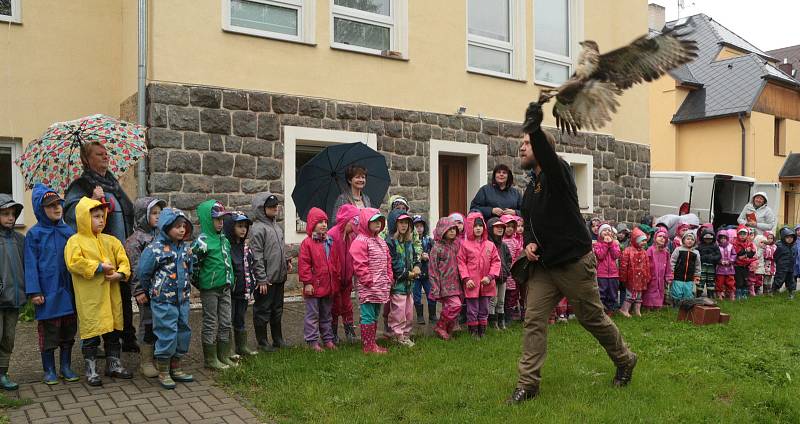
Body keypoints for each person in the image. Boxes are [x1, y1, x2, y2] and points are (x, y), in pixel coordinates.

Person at [509, 102, 636, 404]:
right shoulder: (531, 188)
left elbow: (550, 160)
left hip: (574, 264)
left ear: (542, 149)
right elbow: (529, 223)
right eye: (522, 143)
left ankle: (624, 359)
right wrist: (528, 242)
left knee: (591, 318)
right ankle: (528, 384)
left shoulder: (559, 174)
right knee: (533, 320)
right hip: (544, 267)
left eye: (527, 144)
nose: (521, 148)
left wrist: (534, 127)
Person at [64, 141, 138, 352]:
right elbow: (72, 213)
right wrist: (90, 199)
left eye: (106, 154)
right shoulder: (81, 185)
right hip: (97, 253)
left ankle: (126, 337)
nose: (106, 157)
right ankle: (98, 344)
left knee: (122, 295)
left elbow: (127, 210)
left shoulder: (112, 183)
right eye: (99, 154)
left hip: (118, 249)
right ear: (86, 160)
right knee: (101, 301)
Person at [64, 197, 132, 387]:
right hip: (90, 299)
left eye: (103, 216)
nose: (101, 220)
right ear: (84, 218)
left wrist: (120, 273)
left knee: (112, 333)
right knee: (91, 335)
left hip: (111, 297)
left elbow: (124, 259)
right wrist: (99, 267)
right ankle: (91, 369)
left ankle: (113, 364)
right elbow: (74, 263)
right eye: (95, 216)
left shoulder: (111, 240)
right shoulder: (75, 242)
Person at [25, 185, 79, 386]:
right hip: (47, 293)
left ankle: (65, 366)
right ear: (40, 209)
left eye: (59, 204)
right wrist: (34, 291)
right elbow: (30, 264)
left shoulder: (69, 231)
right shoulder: (35, 234)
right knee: (49, 333)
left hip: (68, 291)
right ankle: (49, 369)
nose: (57, 208)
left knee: (68, 331)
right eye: (50, 206)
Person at [137, 208, 194, 389]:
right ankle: (163, 370)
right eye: (177, 226)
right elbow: (143, 273)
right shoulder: (155, 249)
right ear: (166, 226)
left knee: (183, 331)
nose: (182, 230)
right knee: (166, 332)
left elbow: (190, 268)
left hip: (182, 299)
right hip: (163, 301)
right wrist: (151, 291)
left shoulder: (185, 248)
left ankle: (176, 367)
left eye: (183, 226)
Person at [191, 200, 236, 370]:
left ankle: (223, 354)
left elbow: (228, 262)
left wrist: (230, 278)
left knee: (225, 321)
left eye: (222, 220)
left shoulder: (224, 239)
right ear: (207, 220)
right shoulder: (201, 242)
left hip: (225, 287)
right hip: (210, 289)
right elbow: (194, 265)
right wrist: (202, 282)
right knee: (211, 321)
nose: (220, 223)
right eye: (217, 220)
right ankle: (210, 359)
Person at [124, 197, 166, 378]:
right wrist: (139, 290)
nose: (158, 217)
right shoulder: (135, 241)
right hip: (146, 291)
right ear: (143, 215)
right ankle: (146, 360)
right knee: (147, 322)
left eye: (159, 213)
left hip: (163, 289)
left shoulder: (161, 235)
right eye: (153, 213)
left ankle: (160, 354)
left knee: (162, 321)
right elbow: (134, 268)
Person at [250, 192, 291, 352]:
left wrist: (286, 260)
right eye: (271, 206)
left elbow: (281, 247)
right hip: (266, 279)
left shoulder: (276, 227)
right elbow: (257, 255)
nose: (275, 208)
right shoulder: (258, 229)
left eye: (276, 205)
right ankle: (262, 341)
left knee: (277, 308)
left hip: (278, 276)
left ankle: (277, 338)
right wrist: (261, 278)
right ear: (261, 208)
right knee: (262, 309)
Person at [350, 208, 393, 354]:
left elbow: (388, 260)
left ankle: (372, 343)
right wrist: (367, 280)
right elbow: (359, 263)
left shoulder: (380, 241)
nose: (378, 224)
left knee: (375, 314)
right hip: (368, 286)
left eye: (380, 221)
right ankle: (368, 346)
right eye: (374, 221)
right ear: (365, 222)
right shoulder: (360, 241)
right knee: (367, 314)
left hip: (380, 285)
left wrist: (389, 276)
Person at [298, 208, 338, 352]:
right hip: (314, 286)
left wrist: (335, 279)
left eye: (325, 222)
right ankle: (312, 340)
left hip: (328, 285)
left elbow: (334, 262)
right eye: (320, 222)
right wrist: (307, 282)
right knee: (313, 315)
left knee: (327, 314)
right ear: (312, 224)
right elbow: (304, 264)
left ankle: (327, 339)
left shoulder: (329, 241)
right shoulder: (307, 243)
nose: (324, 225)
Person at [457, 212, 501, 339]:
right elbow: (461, 263)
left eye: (480, 226)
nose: (478, 228)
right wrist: (466, 279)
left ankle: (482, 330)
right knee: (472, 309)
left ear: (484, 228)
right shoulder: (465, 245)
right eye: (475, 226)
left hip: (487, 282)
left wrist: (490, 276)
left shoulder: (490, 245)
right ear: (470, 227)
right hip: (472, 283)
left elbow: (496, 262)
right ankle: (473, 331)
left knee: (484, 308)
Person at [223, 212, 258, 357]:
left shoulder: (246, 247)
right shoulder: (227, 247)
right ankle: (228, 349)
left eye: (245, 227)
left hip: (244, 291)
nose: (243, 229)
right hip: (231, 292)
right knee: (228, 319)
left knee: (240, 318)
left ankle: (241, 346)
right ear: (231, 227)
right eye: (239, 226)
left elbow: (250, 266)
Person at [385, 210, 420, 346]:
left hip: (409, 286)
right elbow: (394, 264)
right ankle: (397, 335)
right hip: (398, 284)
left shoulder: (408, 242)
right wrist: (407, 274)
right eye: (401, 222)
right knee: (398, 312)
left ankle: (406, 335)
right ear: (394, 224)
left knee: (409, 312)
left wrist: (417, 266)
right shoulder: (391, 243)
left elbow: (415, 257)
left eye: (406, 223)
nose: (404, 225)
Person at [0, 194, 24, 390]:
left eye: (13, 214)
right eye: (5, 214)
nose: (10, 218)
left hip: (14, 298)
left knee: (9, 338)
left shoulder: (19, 239)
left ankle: (3, 372)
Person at [329, 204, 360, 344]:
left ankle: (349, 331)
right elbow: (329, 258)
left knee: (347, 306)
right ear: (346, 220)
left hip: (347, 279)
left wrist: (352, 274)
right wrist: (336, 276)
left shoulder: (351, 236)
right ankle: (332, 333)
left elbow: (353, 256)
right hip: (335, 279)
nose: (355, 225)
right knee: (335, 307)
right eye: (354, 221)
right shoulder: (332, 235)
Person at [429, 218, 462, 340]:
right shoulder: (437, 248)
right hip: (444, 284)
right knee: (455, 306)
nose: (453, 232)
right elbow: (433, 270)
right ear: (442, 230)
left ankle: (448, 331)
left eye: (454, 229)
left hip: (456, 283)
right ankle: (440, 326)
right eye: (450, 229)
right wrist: (435, 287)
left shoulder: (456, 245)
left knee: (449, 308)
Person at [619, 228, 651, 318]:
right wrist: (623, 277)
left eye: (645, 240)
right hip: (631, 278)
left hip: (641, 278)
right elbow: (623, 265)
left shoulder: (644, 252)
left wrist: (647, 276)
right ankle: (624, 309)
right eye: (642, 241)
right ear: (635, 240)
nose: (644, 243)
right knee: (630, 295)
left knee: (639, 296)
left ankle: (637, 310)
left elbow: (647, 265)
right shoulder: (628, 251)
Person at [487, 218, 512, 330]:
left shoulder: (504, 246)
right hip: (492, 278)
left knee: (501, 300)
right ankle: (493, 323)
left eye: (502, 227)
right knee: (493, 300)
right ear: (491, 229)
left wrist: (506, 270)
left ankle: (501, 322)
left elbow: (508, 259)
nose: (500, 229)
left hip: (503, 277)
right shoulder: (488, 244)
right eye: (497, 227)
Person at [412, 215, 436, 325]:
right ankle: (420, 316)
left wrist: (429, 256)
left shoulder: (429, 240)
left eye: (421, 226)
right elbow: (410, 257)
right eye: (416, 226)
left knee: (431, 294)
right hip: (416, 274)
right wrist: (419, 257)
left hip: (427, 273)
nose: (419, 228)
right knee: (416, 296)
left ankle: (432, 315)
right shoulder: (411, 241)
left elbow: (435, 254)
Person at [500, 214, 522, 329]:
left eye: (511, 226)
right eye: (507, 226)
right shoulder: (500, 241)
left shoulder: (516, 242)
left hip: (512, 274)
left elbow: (518, 256)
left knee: (512, 296)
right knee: (501, 296)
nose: (509, 228)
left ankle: (509, 316)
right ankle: (500, 316)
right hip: (503, 273)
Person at [594, 224, 621, 314]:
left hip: (613, 274)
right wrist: (605, 244)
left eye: (609, 230)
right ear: (600, 233)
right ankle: (601, 310)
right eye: (604, 230)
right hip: (602, 274)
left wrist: (611, 244)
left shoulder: (615, 244)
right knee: (602, 293)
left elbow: (616, 255)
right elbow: (600, 256)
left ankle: (610, 310)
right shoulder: (597, 245)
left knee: (612, 293)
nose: (607, 232)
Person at [643, 229, 673, 310]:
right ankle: (648, 305)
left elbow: (668, 266)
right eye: (660, 236)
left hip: (661, 276)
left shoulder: (666, 252)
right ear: (655, 238)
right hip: (651, 275)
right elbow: (646, 263)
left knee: (660, 289)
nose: (662, 238)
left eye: (664, 237)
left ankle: (657, 305)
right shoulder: (650, 250)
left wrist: (669, 276)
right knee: (651, 290)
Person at [670, 232, 701, 304]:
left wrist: (697, 276)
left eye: (692, 239)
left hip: (689, 278)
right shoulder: (678, 250)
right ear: (683, 240)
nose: (690, 241)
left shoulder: (696, 252)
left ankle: (686, 306)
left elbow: (697, 265)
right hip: (678, 276)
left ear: (695, 242)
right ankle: (676, 305)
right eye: (688, 239)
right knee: (677, 292)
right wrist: (671, 271)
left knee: (688, 293)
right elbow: (672, 261)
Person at [732, 225, 756, 300]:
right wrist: (745, 251)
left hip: (746, 265)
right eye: (740, 234)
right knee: (739, 280)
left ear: (747, 235)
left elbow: (752, 254)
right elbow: (738, 253)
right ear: (737, 234)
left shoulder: (750, 243)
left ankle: (744, 293)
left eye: (744, 234)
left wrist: (747, 253)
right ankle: (738, 294)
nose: (742, 236)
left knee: (746, 280)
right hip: (738, 265)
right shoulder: (735, 243)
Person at [696, 228, 721, 298]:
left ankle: (710, 294)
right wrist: (703, 258)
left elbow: (719, 255)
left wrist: (712, 258)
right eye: (706, 238)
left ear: (713, 238)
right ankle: (699, 293)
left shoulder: (715, 246)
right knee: (701, 280)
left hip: (711, 267)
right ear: (702, 238)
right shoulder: (700, 246)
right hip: (702, 266)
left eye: (710, 239)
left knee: (711, 280)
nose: (708, 240)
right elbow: (696, 256)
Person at [772, 226, 797, 297]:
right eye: (787, 237)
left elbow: (794, 255)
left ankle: (791, 292)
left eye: (791, 237)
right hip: (782, 267)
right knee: (779, 279)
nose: (790, 239)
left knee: (791, 281)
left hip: (790, 267)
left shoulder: (793, 246)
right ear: (783, 237)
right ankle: (774, 290)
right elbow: (775, 256)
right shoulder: (780, 246)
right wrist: (779, 263)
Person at [716, 229, 736, 300]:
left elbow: (734, 254)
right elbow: (716, 255)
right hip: (720, 268)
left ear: (727, 238)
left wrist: (731, 261)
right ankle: (719, 292)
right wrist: (719, 261)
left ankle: (731, 292)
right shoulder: (717, 247)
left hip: (730, 268)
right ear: (718, 239)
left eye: (724, 238)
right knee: (719, 281)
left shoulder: (731, 246)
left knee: (730, 281)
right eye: (721, 238)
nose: (723, 240)